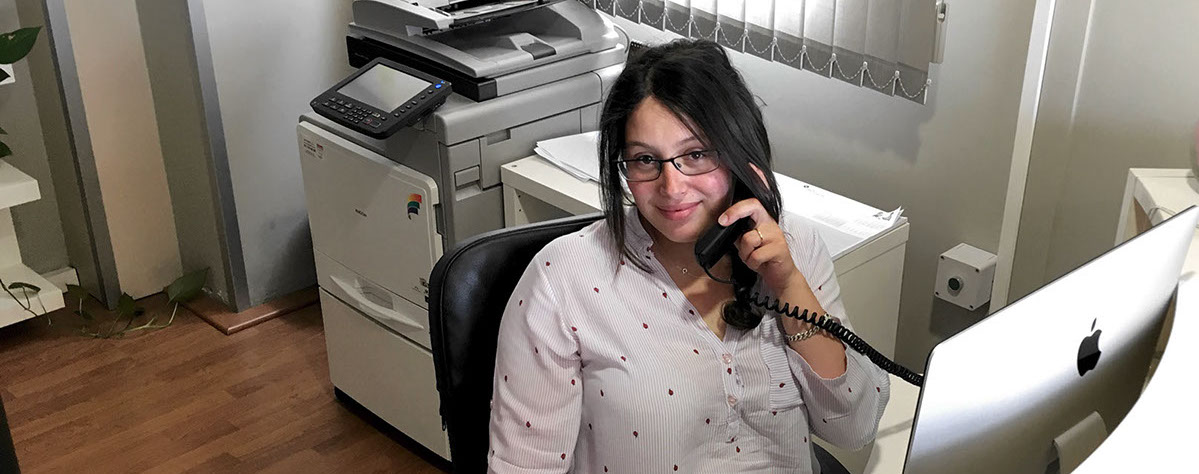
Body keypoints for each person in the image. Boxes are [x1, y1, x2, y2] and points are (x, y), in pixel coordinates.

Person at [487, 39, 889, 473]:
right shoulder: (563, 280)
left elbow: (855, 428)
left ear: (740, 155)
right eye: (645, 160)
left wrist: (789, 285)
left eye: (696, 154)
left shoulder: (793, 247)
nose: (671, 188)